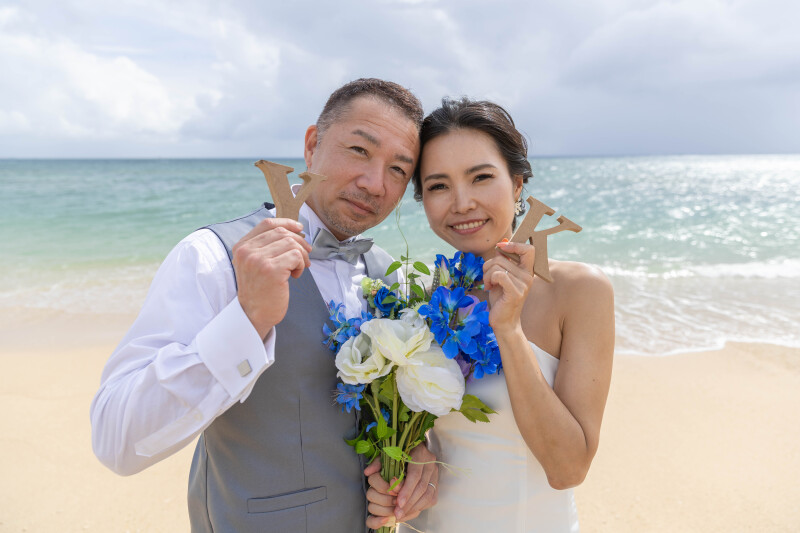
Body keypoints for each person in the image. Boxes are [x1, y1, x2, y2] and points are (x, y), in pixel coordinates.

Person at [90, 78, 439, 532]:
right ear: (312, 146)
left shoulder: (391, 276)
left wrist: (417, 450)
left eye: (398, 169)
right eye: (359, 150)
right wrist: (247, 319)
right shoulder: (213, 257)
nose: (374, 183)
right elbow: (117, 440)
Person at [367, 97, 615, 531]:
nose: (461, 203)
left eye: (481, 177)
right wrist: (413, 451)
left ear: (518, 185)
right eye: (438, 186)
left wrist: (509, 329)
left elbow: (568, 469)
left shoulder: (578, 291)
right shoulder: (423, 297)